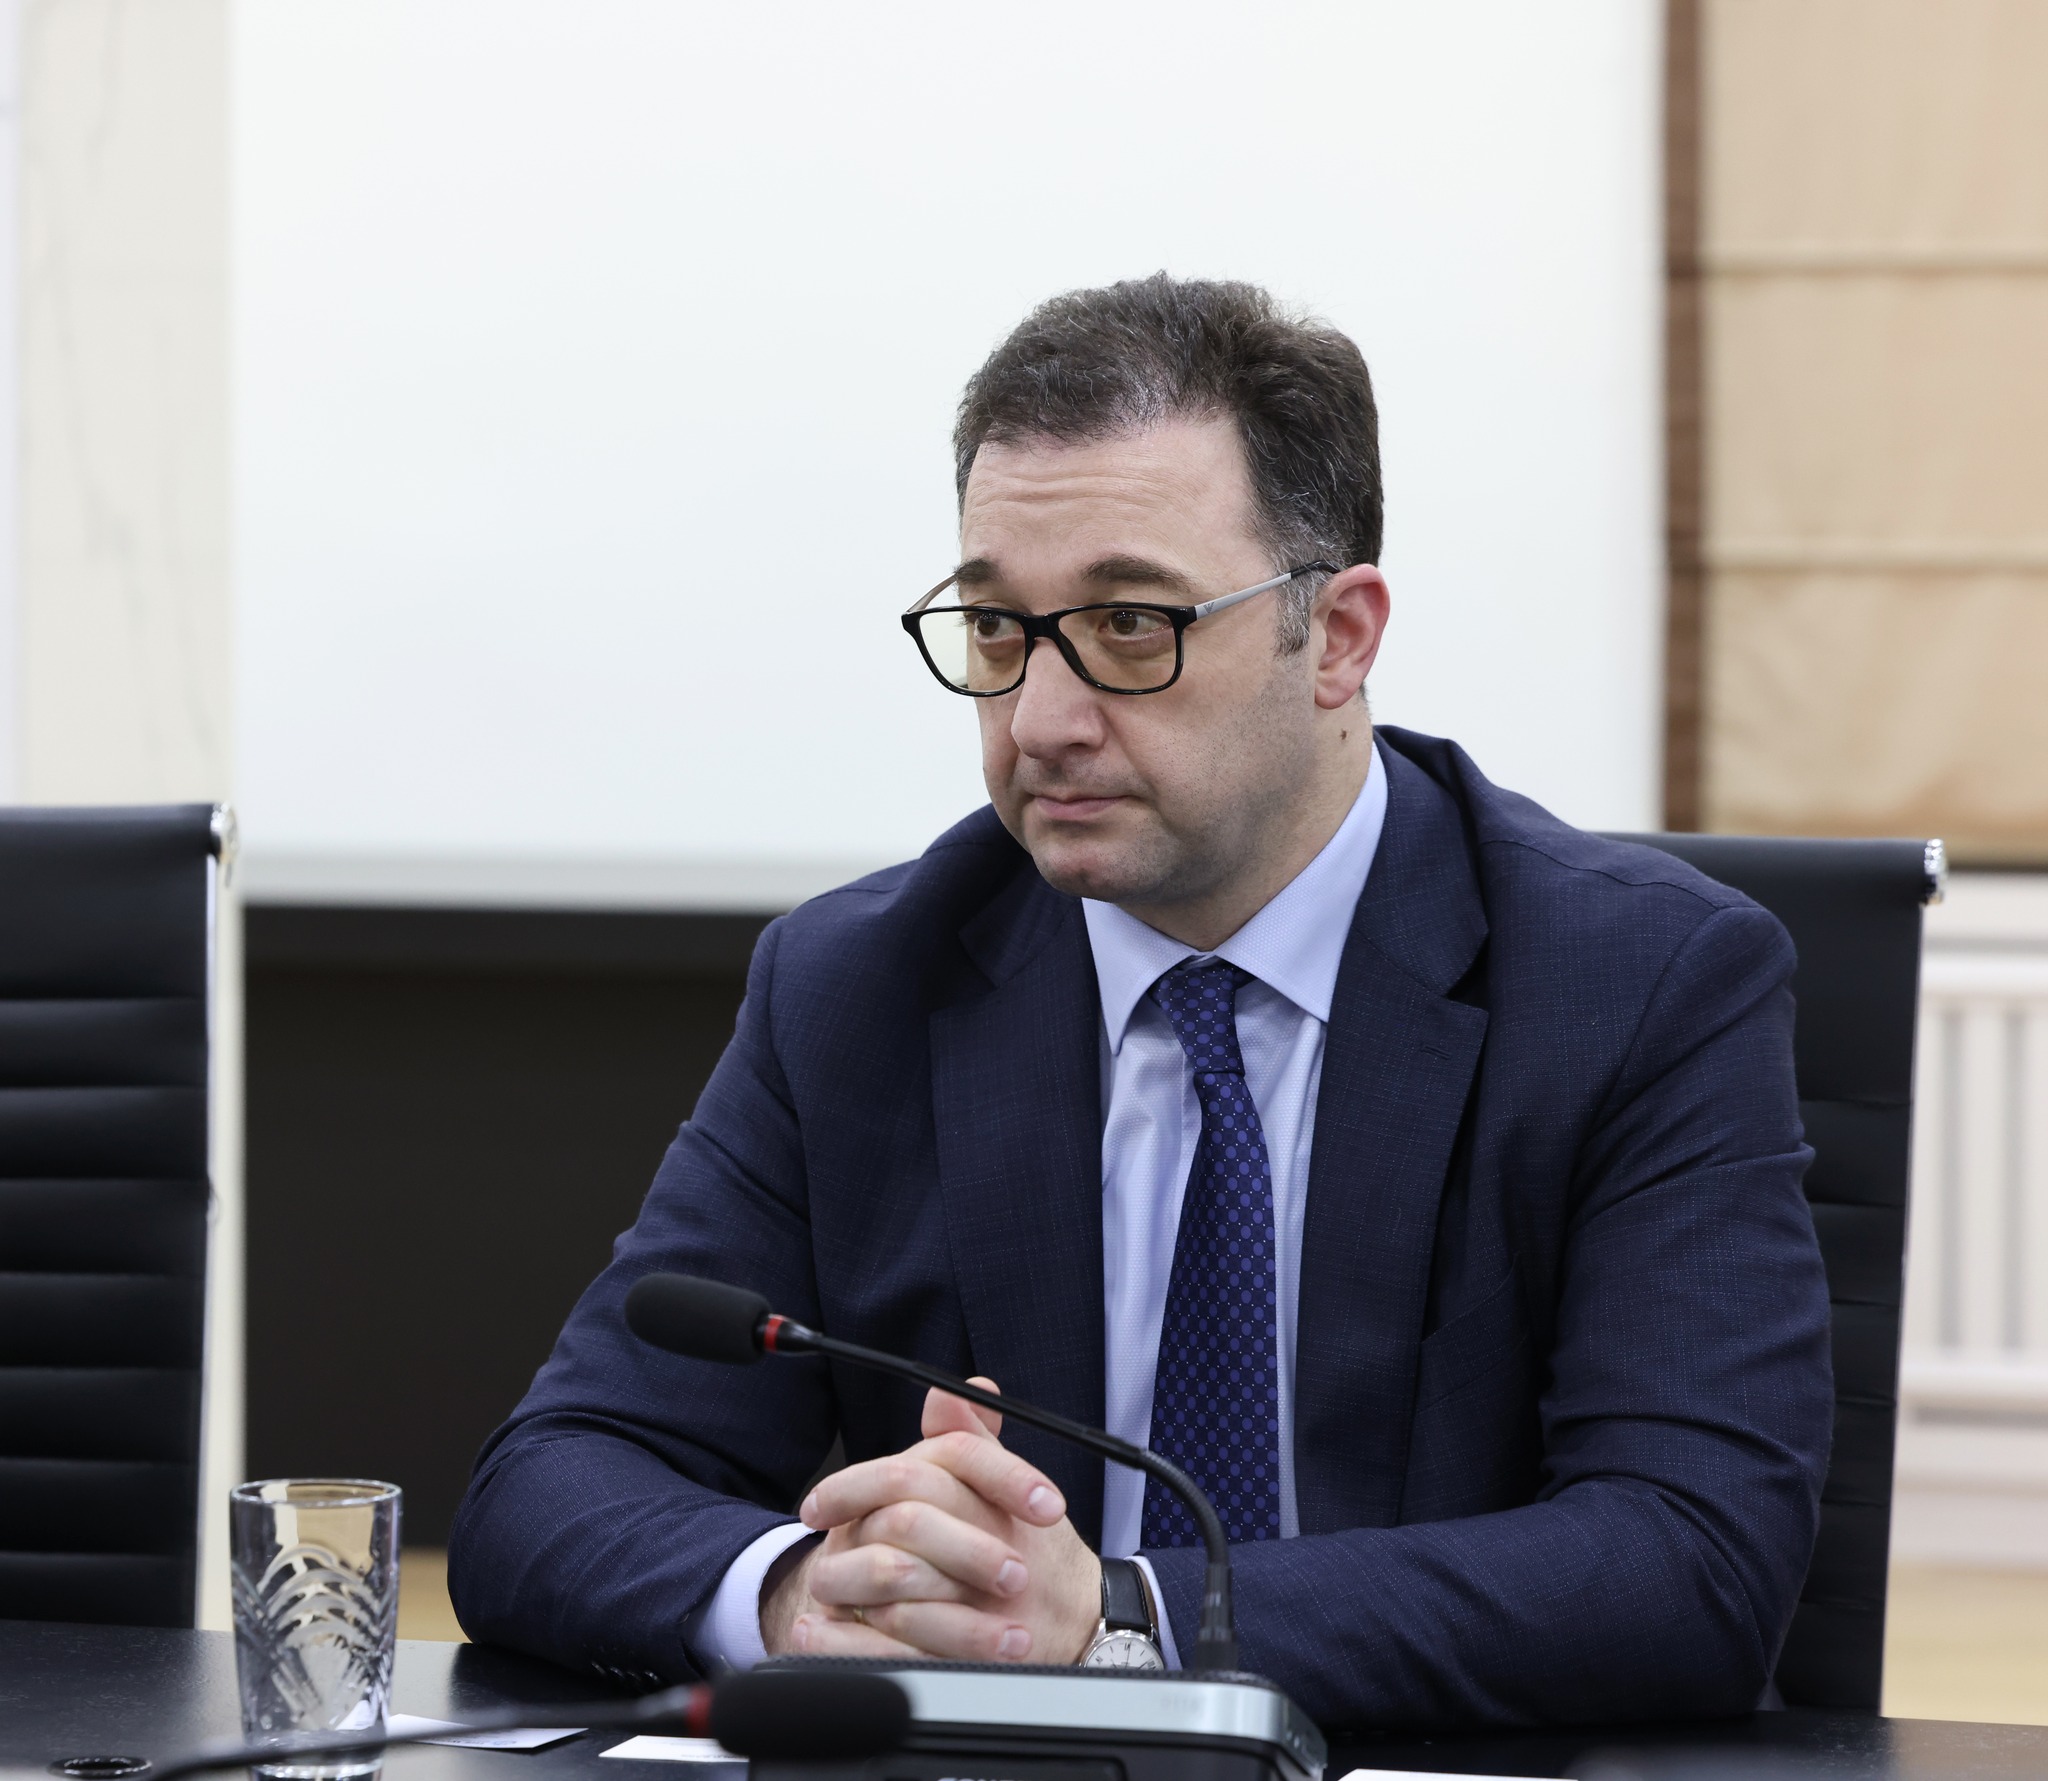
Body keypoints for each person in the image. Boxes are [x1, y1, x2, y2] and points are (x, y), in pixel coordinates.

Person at [447, 274, 1832, 1729]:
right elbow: (549, 1485)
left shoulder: (1636, 984)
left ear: (1338, 637)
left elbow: (1693, 1558)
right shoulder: (861, 983)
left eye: (1128, 624)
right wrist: (805, 1594)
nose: (1040, 720)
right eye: (996, 630)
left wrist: (1119, 1618)